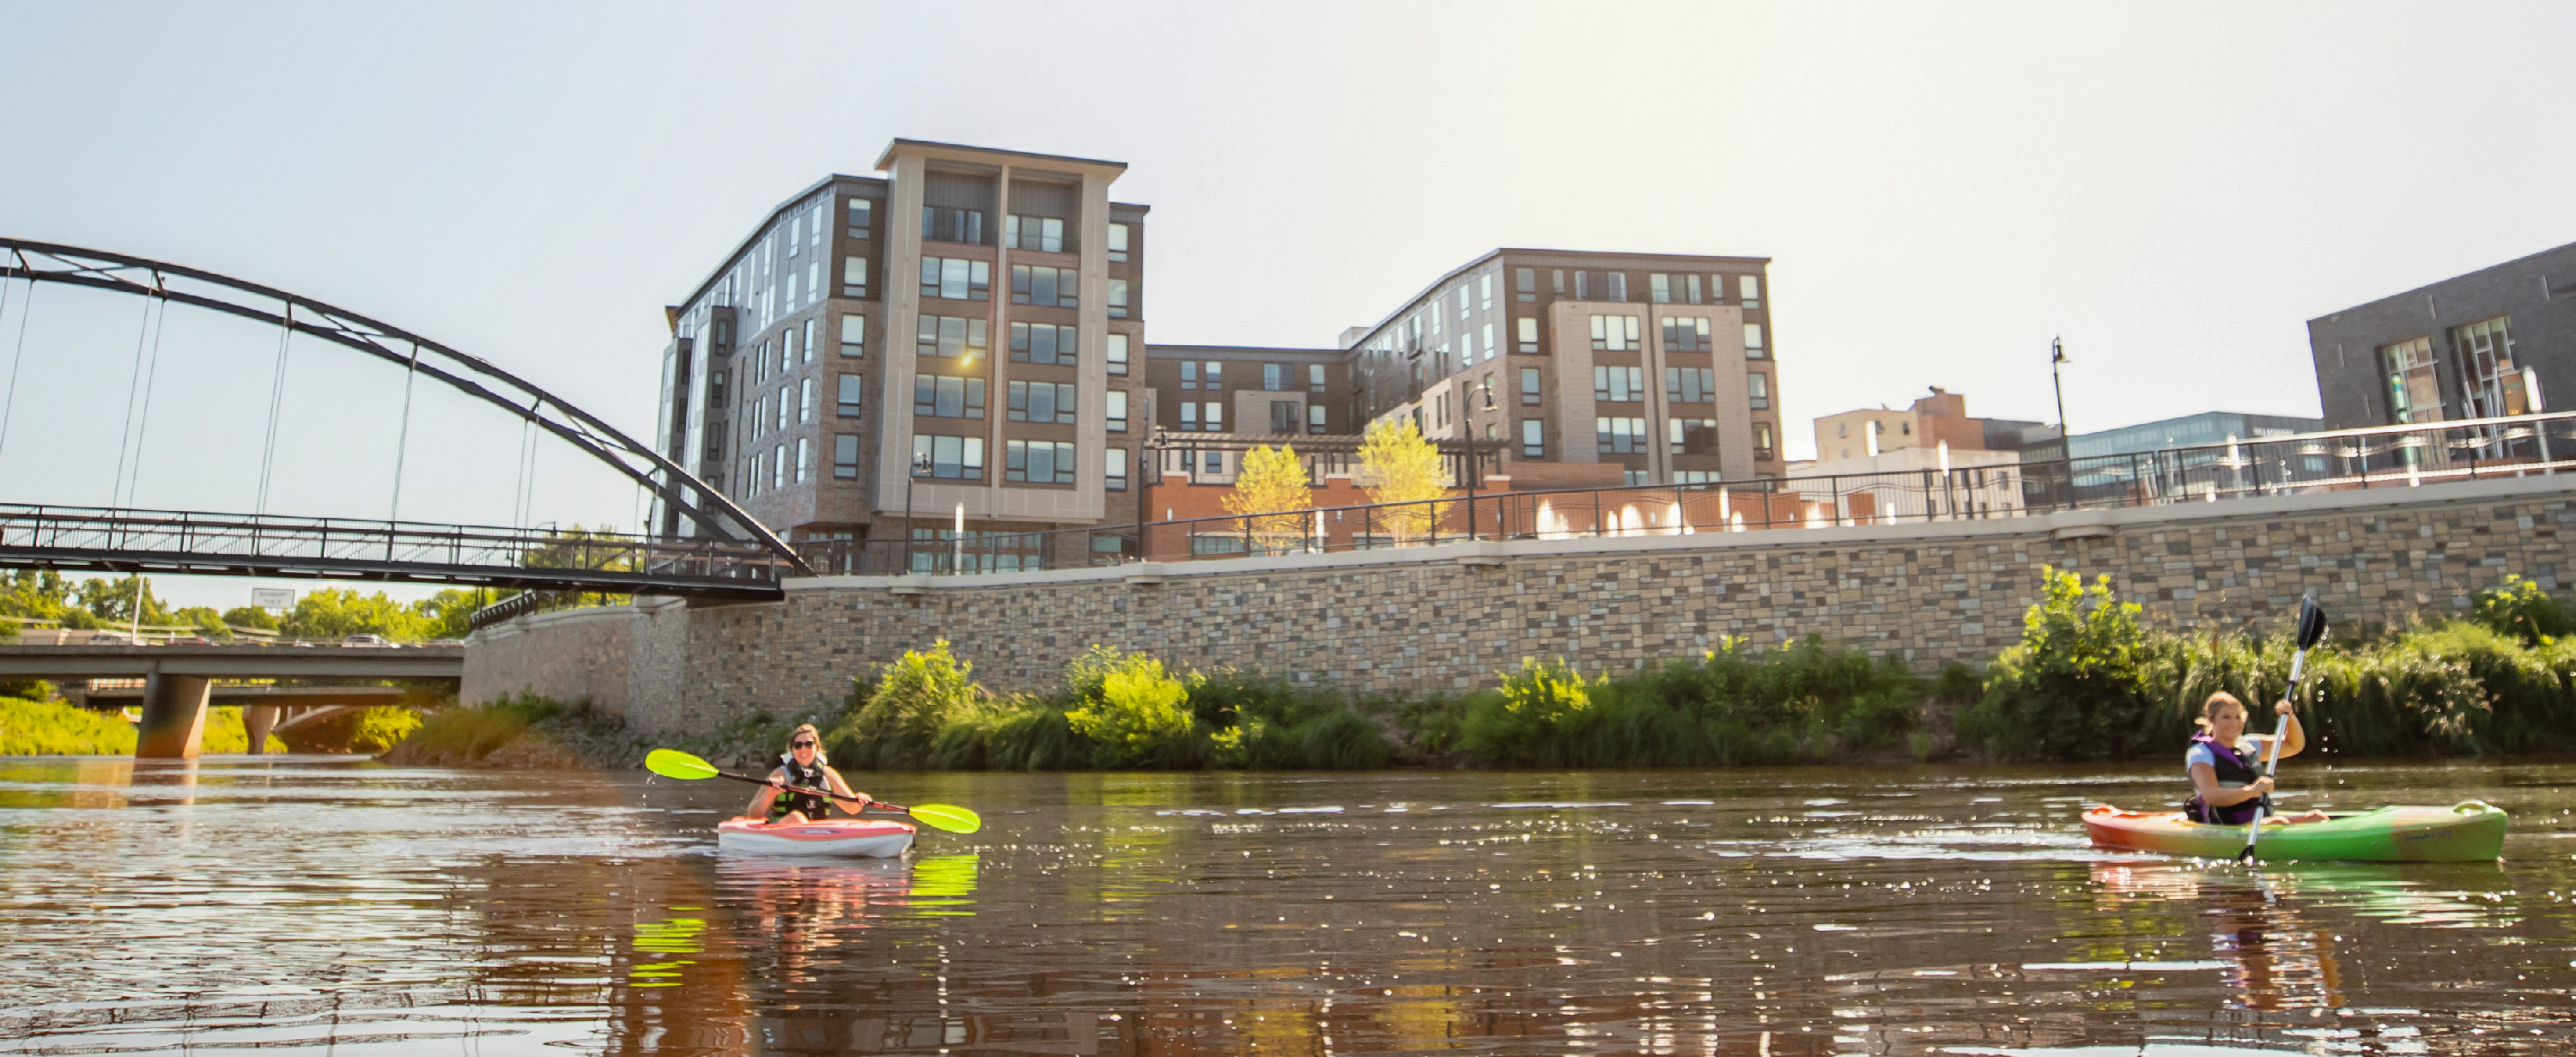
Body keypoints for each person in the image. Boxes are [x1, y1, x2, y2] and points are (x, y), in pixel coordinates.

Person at [2186, 692, 2327, 826]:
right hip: (2224, 823)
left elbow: (2293, 745)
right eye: (2226, 717)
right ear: (2212, 720)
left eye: (2238, 717)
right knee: (2278, 823)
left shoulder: (2249, 745)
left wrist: (2290, 717)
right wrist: (2252, 790)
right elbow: (2211, 796)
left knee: (2317, 817)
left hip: (2258, 820)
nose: (2234, 723)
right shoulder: (2201, 753)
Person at [746, 724, 870, 824]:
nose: (804, 749)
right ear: (792, 749)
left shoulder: (828, 774)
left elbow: (851, 807)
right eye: (798, 745)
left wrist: (859, 800)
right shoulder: (781, 773)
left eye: (809, 744)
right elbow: (753, 814)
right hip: (781, 829)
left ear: (816, 747)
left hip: (816, 831)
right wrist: (770, 794)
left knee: (800, 819)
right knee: (796, 818)